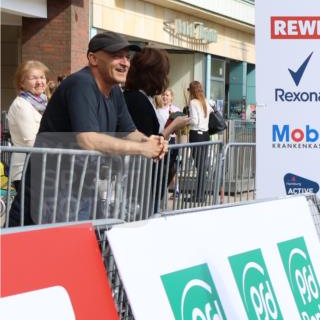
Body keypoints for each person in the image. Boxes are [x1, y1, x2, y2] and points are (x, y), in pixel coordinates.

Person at [14, 32, 167, 225]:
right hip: (52, 186)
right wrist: (143, 149)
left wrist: (152, 142)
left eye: (127, 57)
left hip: (80, 184)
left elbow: (129, 132)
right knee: (40, 247)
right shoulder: (81, 84)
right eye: (116, 56)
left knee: (80, 243)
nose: (125, 62)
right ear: (93, 58)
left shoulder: (115, 91)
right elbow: (88, 139)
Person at [123, 48, 189, 212]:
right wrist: (173, 126)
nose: (166, 78)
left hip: (143, 181)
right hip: (140, 182)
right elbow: (147, 141)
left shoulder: (141, 98)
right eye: (163, 73)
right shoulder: (137, 100)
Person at [6, 60, 50, 205]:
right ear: (22, 83)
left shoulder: (44, 103)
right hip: (26, 169)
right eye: (33, 78)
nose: (40, 82)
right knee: (25, 217)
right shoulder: (21, 105)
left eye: (42, 77)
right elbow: (32, 140)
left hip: (42, 168)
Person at [185, 80, 213, 202]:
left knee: (199, 166)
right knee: (202, 167)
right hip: (205, 135)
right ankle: (201, 194)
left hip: (196, 134)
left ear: (191, 91)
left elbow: (195, 121)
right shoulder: (206, 102)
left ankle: (199, 195)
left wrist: (186, 119)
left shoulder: (193, 102)